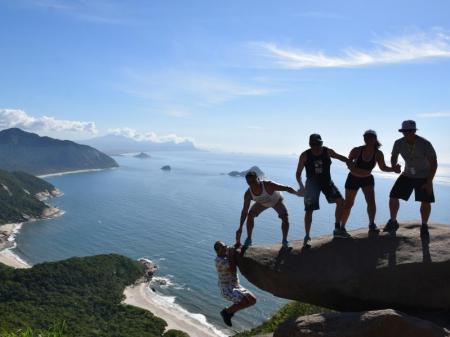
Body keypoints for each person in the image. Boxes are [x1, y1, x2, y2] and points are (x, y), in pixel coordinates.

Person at [340, 130, 401, 233]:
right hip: (353, 179)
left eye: (370, 137)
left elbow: (383, 167)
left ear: (375, 139)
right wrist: (355, 169)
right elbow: (349, 163)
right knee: (349, 204)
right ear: (364, 139)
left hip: (367, 179)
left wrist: (394, 169)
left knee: (371, 202)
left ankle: (372, 224)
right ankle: (342, 227)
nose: (367, 139)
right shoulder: (357, 150)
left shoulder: (378, 154)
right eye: (366, 137)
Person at [384, 120, 438, 237]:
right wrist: (394, 166)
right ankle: (393, 221)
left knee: (426, 201)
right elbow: (393, 157)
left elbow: (434, 164)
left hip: (424, 175)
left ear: (414, 131)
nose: (407, 133)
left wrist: (429, 182)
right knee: (393, 195)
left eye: (410, 131)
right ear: (402, 132)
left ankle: (424, 226)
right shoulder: (398, 143)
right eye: (405, 131)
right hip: (407, 174)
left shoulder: (425, 144)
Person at [296, 134, 350, 247]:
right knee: (309, 210)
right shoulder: (305, 155)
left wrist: (349, 162)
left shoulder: (327, 151)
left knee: (341, 201)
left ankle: (337, 229)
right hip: (311, 185)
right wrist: (301, 186)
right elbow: (298, 173)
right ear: (310, 144)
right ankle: (307, 236)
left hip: (326, 183)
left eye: (319, 143)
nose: (317, 146)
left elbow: (340, 157)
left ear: (322, 143)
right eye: (314, 144)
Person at [235, 171, 300, 249]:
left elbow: (287, 188)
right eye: (249, 182)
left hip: (276, 201)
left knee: (285, 217)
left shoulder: (268, 185)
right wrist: (240, 227)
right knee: (250, 214)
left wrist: (297, 193)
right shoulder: (248, 194)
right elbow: (244, 211)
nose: (252, 184)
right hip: (262, 203)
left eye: (253, 181)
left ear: (258, 179)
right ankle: (249, 239)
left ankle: (284, 241)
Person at [214, 241, 256, 327]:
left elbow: (233, 249)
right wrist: (230, 254)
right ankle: (226, 312)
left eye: (225, 246)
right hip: (227, 288)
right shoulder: (220, 261)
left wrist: (237, 244)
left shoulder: (225, 254)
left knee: (253, 300)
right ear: (218, 251)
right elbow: (233, 270)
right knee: (244, 301)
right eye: (223, 247)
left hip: (236, 285)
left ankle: (230, 312)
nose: (226, 248)